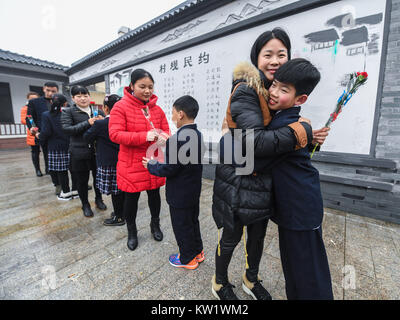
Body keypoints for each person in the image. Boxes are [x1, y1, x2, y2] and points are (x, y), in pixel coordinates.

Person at [211, 27, 328, 301]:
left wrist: (305, 137)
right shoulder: (247, 90)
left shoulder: (274, 91)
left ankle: (250, 279)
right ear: (257, 58)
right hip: (239, 181)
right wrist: (301, 132)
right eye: (268, 54)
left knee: (257, 237)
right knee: (230, 237)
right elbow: (255, 142)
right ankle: (219, 283)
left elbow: (280, 135)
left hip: (263, 181)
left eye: (281, 54)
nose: (275, 61)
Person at [265, 58, 333, 299]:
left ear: (301, 99)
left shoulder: (285, 125)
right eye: (274, 84)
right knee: (294, 268)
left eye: (284, 90)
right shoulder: (293, 121)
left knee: (309, 273)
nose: (273, 92)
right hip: (295, 207)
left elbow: (260, 149)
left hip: (300, 207)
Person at [109, 69, 170, 251]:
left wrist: (164, 137)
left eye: (150, 87)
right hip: (132, 163)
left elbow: (166, 130)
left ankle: (155, 225)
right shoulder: (120, 107)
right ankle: (132, 231)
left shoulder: (156, 109)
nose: (147, 91)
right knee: (131, 199)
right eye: (142, 86)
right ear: (132, 86)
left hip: (153, 160)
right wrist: (145, 136)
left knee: (154, 195)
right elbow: (115, 134)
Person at [143, 95, 205, 270]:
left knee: (181, 225)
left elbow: (170, 169)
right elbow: (185, 162)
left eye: (172, 113)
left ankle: (187, 259)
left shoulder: (178, 139)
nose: (171, 118)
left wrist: (152, 165)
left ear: (181, 114)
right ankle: (198, 252)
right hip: (193, 190)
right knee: (193, 221)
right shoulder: (197, 134)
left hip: (179, 193)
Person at [61, 85, 107, 217]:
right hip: (79, 152)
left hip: (97, 151)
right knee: (82, 181)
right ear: (73, 98)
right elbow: (67, 130)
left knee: (98, 178)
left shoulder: (97, 111)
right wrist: (88, 122)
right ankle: (85, 204)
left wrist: (103, 123)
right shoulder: (68, 112)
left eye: (85, 95)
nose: (83, 98)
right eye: (79, 96)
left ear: (89, 96)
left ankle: (99, 199)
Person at [83, 94, 126, 227]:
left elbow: (87, 137)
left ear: (106, 108)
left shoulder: (101, 123)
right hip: (124, 161)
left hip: (108, 163)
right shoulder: (126, 121)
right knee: (123, 190)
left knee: (115, 192)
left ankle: (119, 217)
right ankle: (123, 212)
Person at [36, 94, 72, 200]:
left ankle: (65, 192)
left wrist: (38, 135)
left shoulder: (46, 115)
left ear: (51, 102)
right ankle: (76, 190)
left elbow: (46, 132)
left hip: (56, 147)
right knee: (74, 170)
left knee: (61, 171)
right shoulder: (69, 112)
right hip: (71, 145)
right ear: (65, 103)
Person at [26, 82, 60, 193]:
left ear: (57, 91)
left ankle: (71, 183)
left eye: (53, 91)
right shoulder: (34, 102)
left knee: (65, 160)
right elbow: (30, 118)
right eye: (48, 90)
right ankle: (57, 185)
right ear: (44, 89)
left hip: (60, 135)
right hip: (44, 135)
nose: (50, 93)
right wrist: (34, 130)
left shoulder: (60, 101)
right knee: (49, 159)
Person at [20, 92, 41, 176]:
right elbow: (23, 120)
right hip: (32, 133)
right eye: (31, 98)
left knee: (47, 151)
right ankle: (37, 170)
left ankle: (48, 169)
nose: (33, 100)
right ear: (28, 99)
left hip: (43, 131)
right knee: (35, 152)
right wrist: (34, 125)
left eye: (35, 98)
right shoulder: (25, 108)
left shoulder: (40, 107)